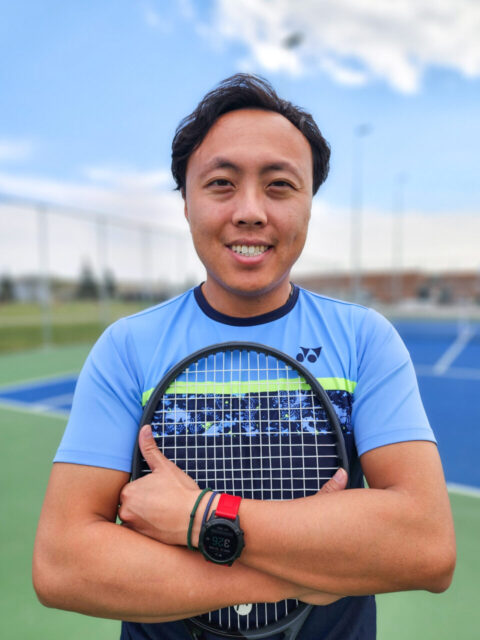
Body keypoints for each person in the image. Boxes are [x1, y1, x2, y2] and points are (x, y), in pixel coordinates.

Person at [33, 74, 455, 640]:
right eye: (221, 184)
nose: (251, 210)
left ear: (309, 204)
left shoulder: (365, 339)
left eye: (280, 185)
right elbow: (63, 564)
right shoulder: (127, 348)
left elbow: (426, 547)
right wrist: (303, 568)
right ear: (186, 202)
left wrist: (201, 517)